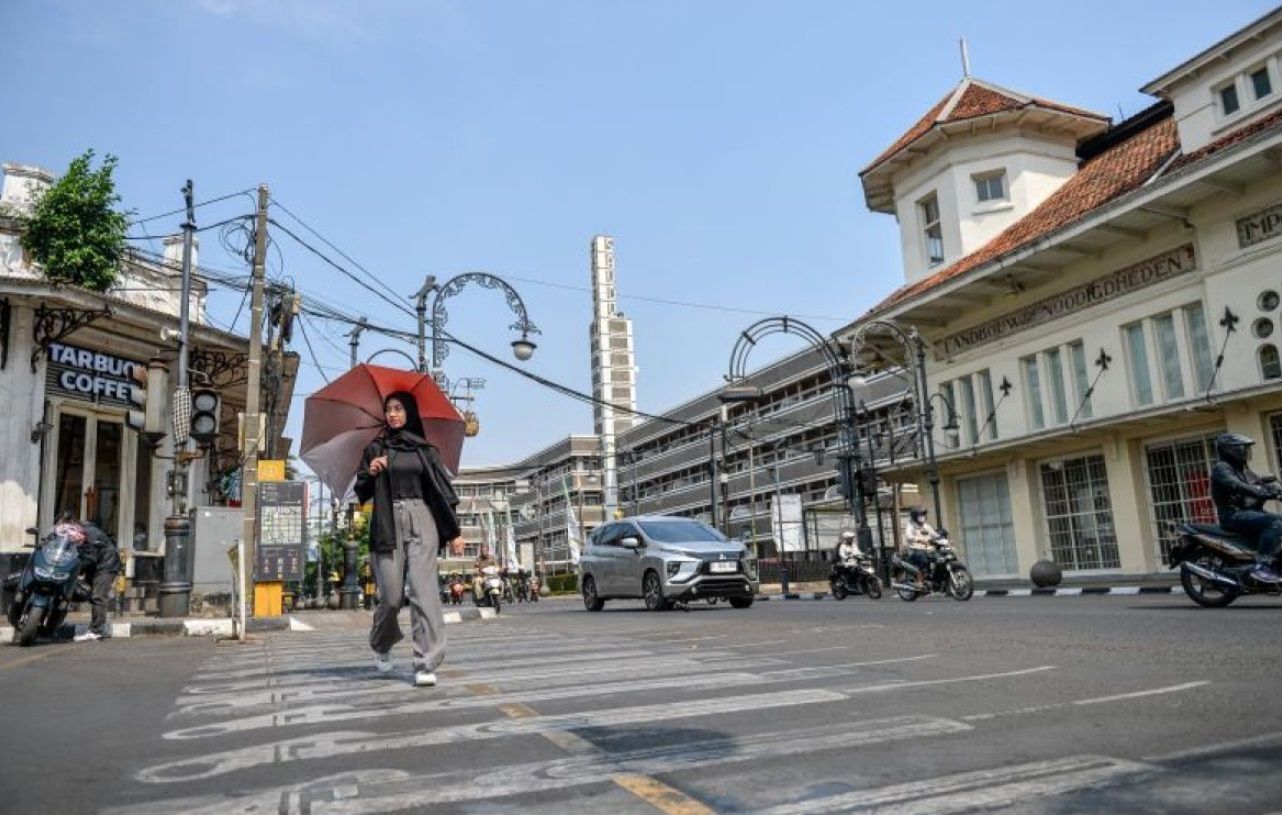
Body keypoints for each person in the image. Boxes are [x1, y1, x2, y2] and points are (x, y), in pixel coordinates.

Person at [355, 391, 465, 687]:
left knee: (422, 590)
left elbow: (442, 491)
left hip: (422, 517)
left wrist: (454, 531)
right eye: (388, 409)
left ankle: (426, 662)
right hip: (387, 520)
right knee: (390, 597)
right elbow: (361, 490)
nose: (392, 414)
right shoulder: (376, 448)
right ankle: (381, 643)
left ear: (410, 413)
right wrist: (371, 471)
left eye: (398, 408)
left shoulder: (425, 451)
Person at [1210, 432, 1282, 584]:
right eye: (1242, 448)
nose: (1246, 452)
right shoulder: (1221, 468)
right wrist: (1259, 491)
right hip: (1233, 515)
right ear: (1230, 450)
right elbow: (1236, 485)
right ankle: (1262, 565)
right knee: (1274, 523)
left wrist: (1275, 489)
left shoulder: (1243, 469)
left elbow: (1259, 482)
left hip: (1249, 512)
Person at [55, 512, 121, 642]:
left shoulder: (90, 532)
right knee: (90, 594)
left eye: (65, 526)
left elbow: (90, 557)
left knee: (98, 596)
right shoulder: (69, 533)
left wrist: (76, 568)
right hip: (94, 566)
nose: (65, 531)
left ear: (72, 523)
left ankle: (96, 631)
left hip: (105, 565)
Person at [902, 506, 936, 585]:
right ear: (915, 516)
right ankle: (920, 581)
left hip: (926, 549)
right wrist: (919, 540)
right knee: (923, 559)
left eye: (923, 515)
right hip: (912, 550)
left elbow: (935, 534)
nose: (923, 517)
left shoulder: (926, 526)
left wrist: (944, 540)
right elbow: (909, 536)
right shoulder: (910, 526)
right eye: (920, 515)